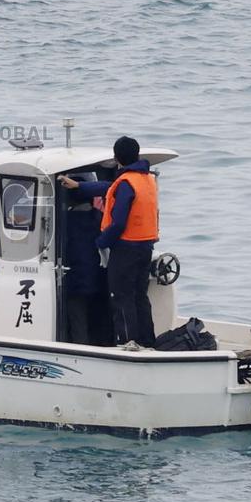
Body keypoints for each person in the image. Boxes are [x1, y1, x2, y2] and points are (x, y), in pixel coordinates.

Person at [59, 137, 158, 347]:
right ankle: (148, 341)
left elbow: (118, 222)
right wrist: (79, 186)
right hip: (146, 246)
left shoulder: (126, 183)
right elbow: (109, 187)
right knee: (140, 296)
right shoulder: (145, 179)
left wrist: (101, 242)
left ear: (117, 158)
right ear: (137, 155)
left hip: (126, 248)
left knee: (122, 297)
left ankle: (127, 344)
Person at [60, 174, 111, 346]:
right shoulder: (101, 218)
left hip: (75, 279)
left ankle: (79, 348)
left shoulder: (64, 222)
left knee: (77, 321)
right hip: (100, 279)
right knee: (99, 319)